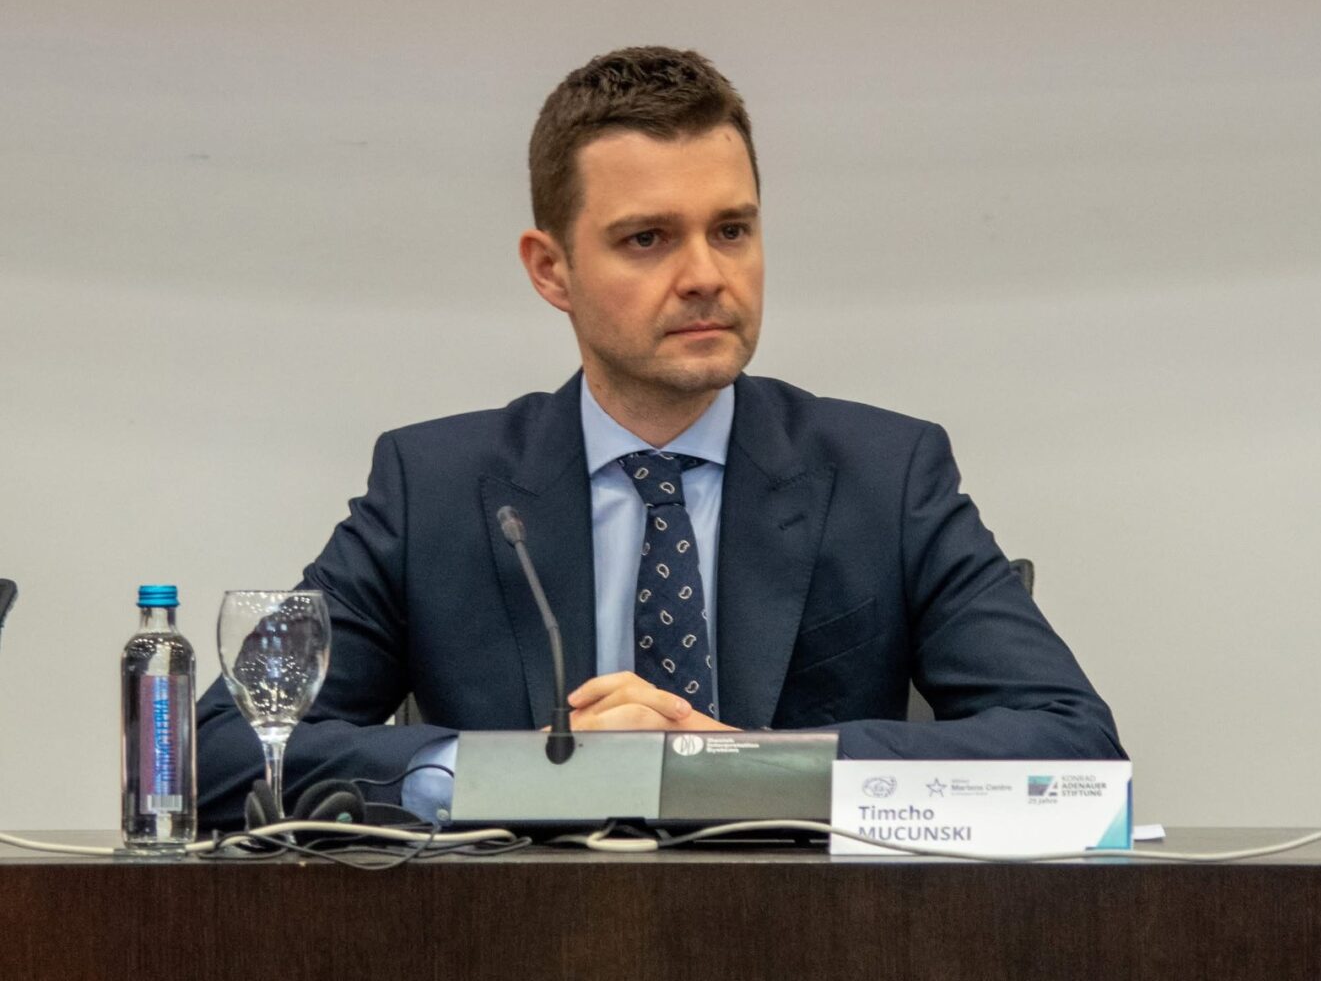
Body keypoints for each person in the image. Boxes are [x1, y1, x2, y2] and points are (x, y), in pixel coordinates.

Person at [197, 46, 1124, 829]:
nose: (705, 276)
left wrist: (748, 766)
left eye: (732, 230)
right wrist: (520, 774)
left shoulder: (885, 476)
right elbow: (218, 750)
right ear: (551, 269)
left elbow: (1074, 745)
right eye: (647, 239)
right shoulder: (432, 488)